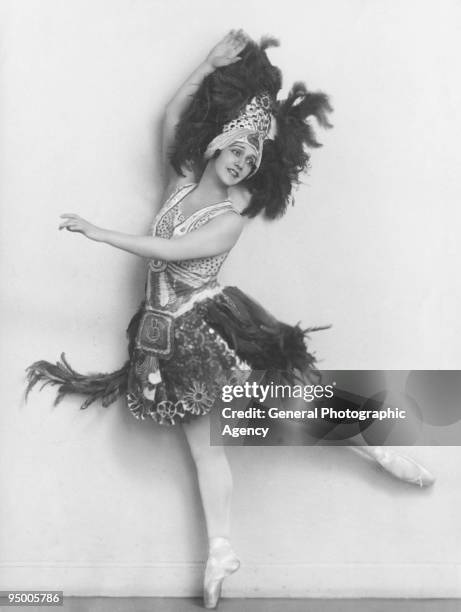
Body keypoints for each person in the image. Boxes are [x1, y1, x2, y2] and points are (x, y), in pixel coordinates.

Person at [26, 30, 435, 609]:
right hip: (166, 341)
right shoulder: (181, 180)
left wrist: (99, 231)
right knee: (205, 451)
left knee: (299, 399)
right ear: (217, 146)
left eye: (251, 158)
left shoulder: (230, 219)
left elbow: (164, 252)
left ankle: (379, 447)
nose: (243, 161)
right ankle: (220, 550)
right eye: (237, 149)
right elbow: (169, 115)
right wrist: (209, 62)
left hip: (214, 326)